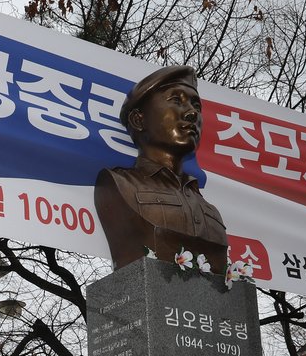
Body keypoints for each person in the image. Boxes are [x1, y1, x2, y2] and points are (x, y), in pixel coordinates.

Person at [94, 65, 228, 270]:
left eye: (196, 105)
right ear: (138, 120)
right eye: (176, 100)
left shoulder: (210, 211)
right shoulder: (119, 185)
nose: (192, 113)